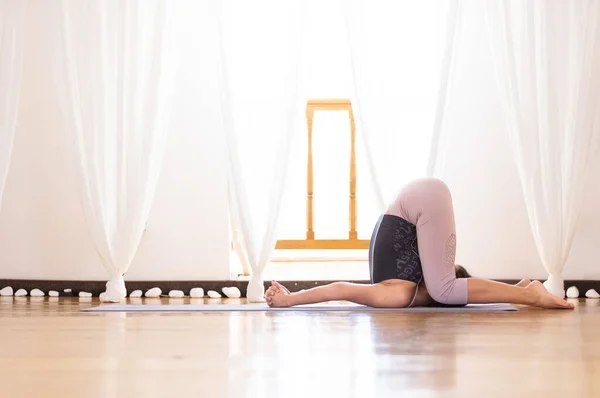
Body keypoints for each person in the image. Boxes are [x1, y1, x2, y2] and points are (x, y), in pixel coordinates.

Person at [265, 178, 574, 310]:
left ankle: (527, 292)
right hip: (417, 203)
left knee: (446, 289)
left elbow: (341, 290)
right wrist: (291, 298)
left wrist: (292, 298)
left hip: (414, 203)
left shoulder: (400, 291)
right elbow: (341, 289)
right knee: (446, 288)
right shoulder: (402, 289)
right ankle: (527, 292)